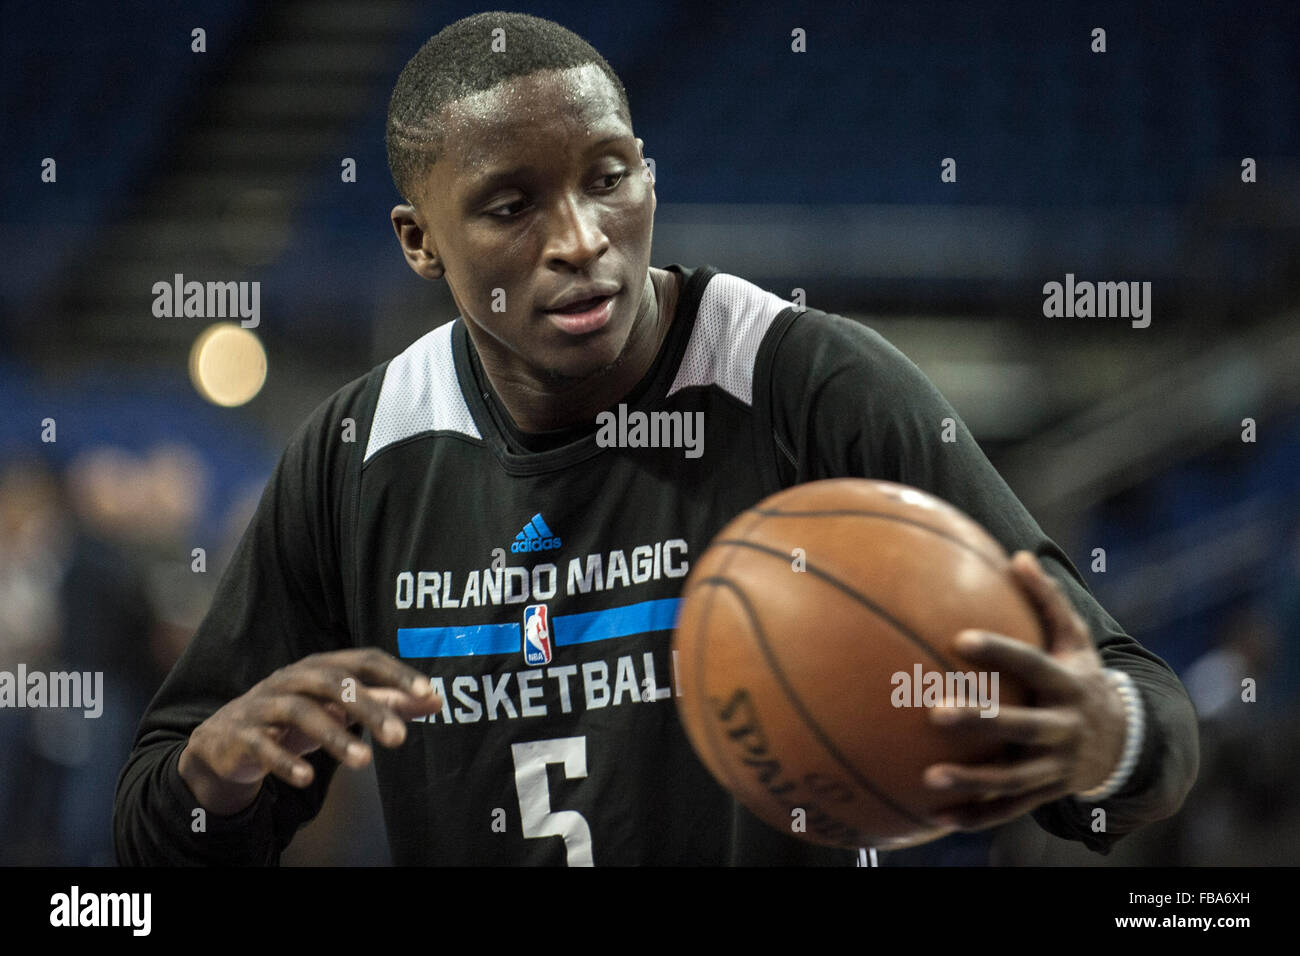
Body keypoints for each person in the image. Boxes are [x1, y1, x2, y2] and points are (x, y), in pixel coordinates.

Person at [114, 11, 1198, 866]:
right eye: (510, 205)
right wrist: (214, 781)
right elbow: (159, 829)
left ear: (648, 171)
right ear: (418, 242)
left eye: (608, 177)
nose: (581, 241)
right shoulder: (357, 451)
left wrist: (1103, 741)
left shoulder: (807, 381)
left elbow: (1138, 709)